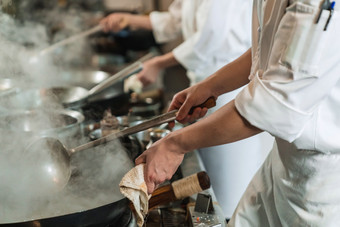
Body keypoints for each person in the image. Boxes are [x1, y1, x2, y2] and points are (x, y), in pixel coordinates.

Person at [135, 0, 340, 226]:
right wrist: (208, 87)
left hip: (320, 183)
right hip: (282, 163)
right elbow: (271, 49)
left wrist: (175, 144)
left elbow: (277, 104)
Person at [101, 0, 273, 219]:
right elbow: (177, 18)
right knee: (203, 182)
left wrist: (159, 63)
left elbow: (212, 38)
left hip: (230, 98)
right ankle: (205, 217)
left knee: (226, 191)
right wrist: (129, 19)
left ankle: (221, 219)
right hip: (209, 88)